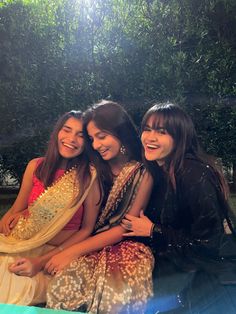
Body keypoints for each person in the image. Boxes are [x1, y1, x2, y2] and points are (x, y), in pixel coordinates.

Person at [122, 102, 236, 313]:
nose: (150, 137)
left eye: (161, 132)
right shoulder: (161, 171)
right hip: (179, 269)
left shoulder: (193, 174)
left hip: (210, 278)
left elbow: (210, 244)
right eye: (147, 129)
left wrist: (152, 230)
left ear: (180, 137)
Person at [46, 100, 154, 314]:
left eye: (102, 136)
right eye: (92, 139)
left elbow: (124, 228)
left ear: (120, 132)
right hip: (88, 240)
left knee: (117, 293)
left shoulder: (142, 172)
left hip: (126, 245)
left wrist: (70, 253)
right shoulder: (93, 167)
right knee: (64, 286)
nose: (96, 145)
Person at [0, 110, 100, 305]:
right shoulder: (35, 166)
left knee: (16, 286)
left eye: (80, 135)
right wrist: (16, 217)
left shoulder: (88, 176)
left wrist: (41, 261)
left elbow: (87, 229)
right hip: (22, 242)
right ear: (57, 132)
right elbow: (15, 210)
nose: (71, 139)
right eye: (67, 130)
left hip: (57, 253)